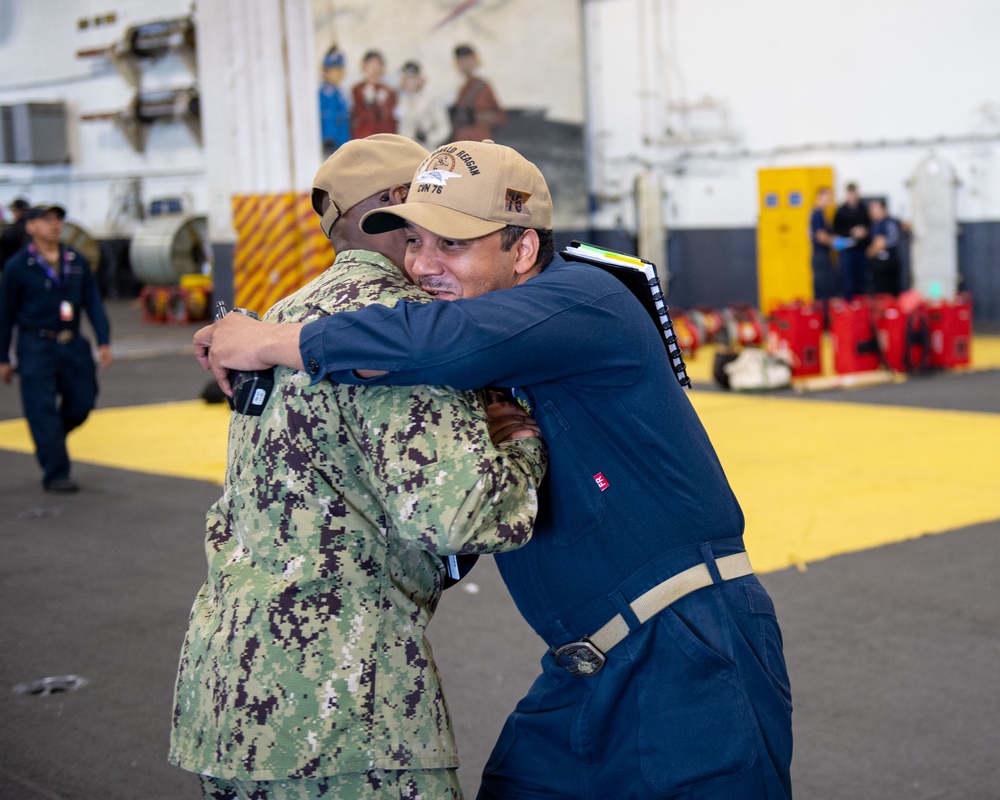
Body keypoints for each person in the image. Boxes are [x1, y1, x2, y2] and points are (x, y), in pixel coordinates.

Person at [193, 140, 794, 799]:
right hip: (585, 665)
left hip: (687, 648)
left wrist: (274, 339)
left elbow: (432, 339)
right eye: (415, 243)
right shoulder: (497, 345)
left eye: (450, 245)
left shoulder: (580, 300)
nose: (423, 267)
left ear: (523, 250)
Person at [171, 134, 546, 800]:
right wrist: (522, 445)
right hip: (344, 712)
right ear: (406, 211)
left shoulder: (274, 324)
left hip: (225, 692)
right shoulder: (412, 331)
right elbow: (457, 517)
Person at [0, 204, 112, 493]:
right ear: (30, 226)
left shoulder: (75, 260)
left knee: (83, 401)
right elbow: (5, 314)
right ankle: (56, 472)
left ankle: (51, 441)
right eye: (46, 220)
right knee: (42, 409)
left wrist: (103, 339)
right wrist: (3, 357)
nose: (54, 225)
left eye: (58, 219)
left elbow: (93, 302)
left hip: (71, 342)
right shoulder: (17, 266)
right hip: (35, 344)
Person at [448, 44, 506, 142]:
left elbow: (499, 116)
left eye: (467, 60)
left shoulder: (482, 86)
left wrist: (477, 116)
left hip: (478, 138)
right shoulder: (461, 88)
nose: (464, 64)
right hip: (461, 138)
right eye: (461, 61)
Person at [396, 60, 449, 149]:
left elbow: (444, 128)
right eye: (407, 78)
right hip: (406, 149)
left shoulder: (431, 100)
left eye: (413, 78)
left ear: (420, 79)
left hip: (426, 148)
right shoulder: (402, 101)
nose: (410, 82)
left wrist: (429, 138)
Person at [833, 182, 870, 299]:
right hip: (847, 251)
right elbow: (836, 231)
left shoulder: (863, 209)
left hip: (861, 249)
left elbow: (870, 226)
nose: (852, 196)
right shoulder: (841, 211)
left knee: (861, 279)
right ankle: (849, 306)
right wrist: (851, 232)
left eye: (854, 193)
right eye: (850, 193)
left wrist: (864, 232)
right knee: (848, 280)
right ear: (847, 194)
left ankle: (861, 306)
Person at [350, 50, 397, 139]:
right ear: (364, 67)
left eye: (378, 65)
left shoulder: (389, 92)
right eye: (371, 65)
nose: (374, 69)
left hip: (383, 138)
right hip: (363, 137)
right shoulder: (357, 89)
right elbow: (358, 115)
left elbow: (390, 118)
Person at [866, 198, 903, 296]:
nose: (872, 211)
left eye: (875, 208)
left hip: (889, 264)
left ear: (883, 209)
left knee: (890, 294)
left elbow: (881, 243)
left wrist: (873, 249)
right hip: (878, 266)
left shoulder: (889, 223)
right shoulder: (874, 224)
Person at [318, 47, 351, 157]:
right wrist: (328, 137)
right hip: (332, 143)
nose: (338, 74)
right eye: (334, 70)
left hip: (343, 141)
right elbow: (328, 116)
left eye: (340, 70)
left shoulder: (341, 92)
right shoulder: (325, 93)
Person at [809, 186, 839, 303]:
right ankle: (820, 317)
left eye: (830, 199)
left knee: (827, 286)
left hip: (823, 255)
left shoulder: (822, 214)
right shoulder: (817, 214)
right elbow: (821, 236)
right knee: (823, 288)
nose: (828, 201)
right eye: (826, 198)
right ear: (819, 198)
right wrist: (835, 242)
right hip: (820, 256)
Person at [0, 198, 32, 269]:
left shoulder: (11, 230)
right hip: (31, 266)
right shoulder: (35, 228)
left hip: (14, 267)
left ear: (17, 211)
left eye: (13, 210)